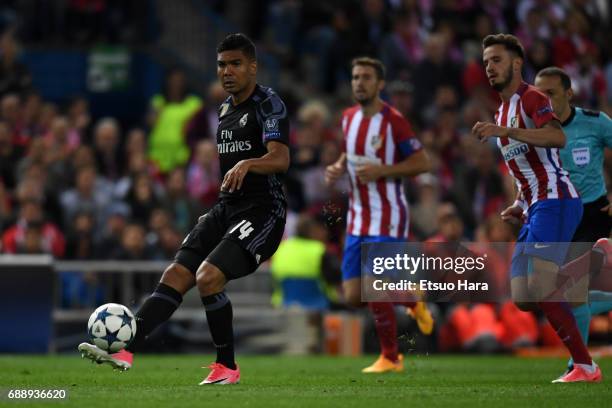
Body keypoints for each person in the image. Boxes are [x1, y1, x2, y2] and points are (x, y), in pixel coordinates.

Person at [79, 33, 290, 385]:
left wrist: (248, 165)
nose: (227, 71)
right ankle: (126, 348)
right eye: (222, 64)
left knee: (208, 277)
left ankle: (227, 368)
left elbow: (281, 159)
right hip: (226, 208)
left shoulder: (268, 104)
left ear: (252, 66)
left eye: (235, 64)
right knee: (176, 275)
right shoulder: (224, 109)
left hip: (263, 212)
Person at [472, 33, 601, 383]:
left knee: (541, 286)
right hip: (534, 207)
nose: (489, 67)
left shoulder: (531, 97)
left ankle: (585, 367)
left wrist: (507, 131)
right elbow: (524, 169)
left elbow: (557, 137)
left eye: (496, 60)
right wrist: (518, 202)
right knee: (524, 298)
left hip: (557, 199)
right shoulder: (501, 111)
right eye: (486, 62)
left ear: (516, 63)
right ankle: (583, 269)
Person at [325, 57, 433, 374]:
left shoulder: (393, 121)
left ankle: (391, 357)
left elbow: (422, 162)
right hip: (358, 218)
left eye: (366, 77)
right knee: (353, 295)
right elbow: (351, 150)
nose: (359, 82)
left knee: (374, 286)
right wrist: (339, 165)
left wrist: (385, 170)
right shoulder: (347, 117)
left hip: (388, 216)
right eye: (355, 77)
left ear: (379, 84)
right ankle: (412, 300)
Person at [535, 66, 612, 375]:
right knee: (545, 291)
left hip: (592, 214)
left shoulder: (595, 123)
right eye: (539, 95)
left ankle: (578, 364)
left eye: (551, 93)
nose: (545, 100)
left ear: (568, 93)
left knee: (569, 289)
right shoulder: (536, 130)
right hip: (555, 215)